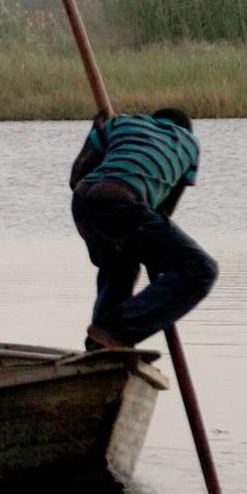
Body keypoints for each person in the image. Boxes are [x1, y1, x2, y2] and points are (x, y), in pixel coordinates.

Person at [70, 107, 217, 352]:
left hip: (83, 204)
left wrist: (94, 133)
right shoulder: (189, 143)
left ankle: (101, 347)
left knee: (120, 265)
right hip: (122, 203)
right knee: (200, 269)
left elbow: (75, 179)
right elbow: (164, 210)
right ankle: (115, 331)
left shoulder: (121, 124)